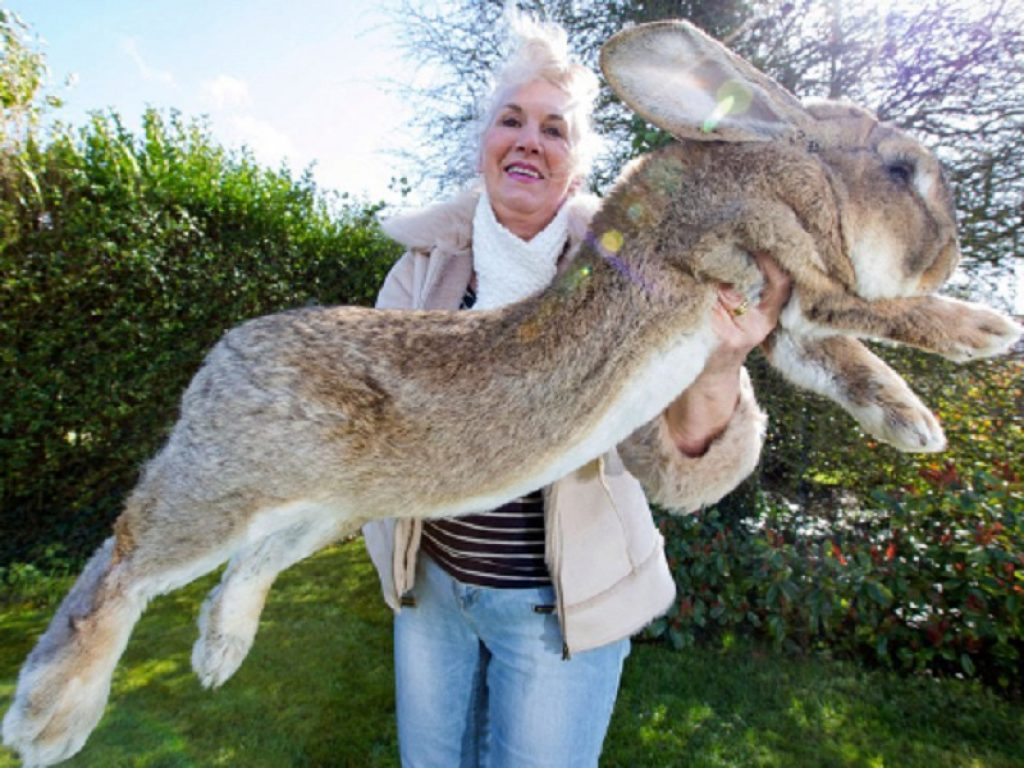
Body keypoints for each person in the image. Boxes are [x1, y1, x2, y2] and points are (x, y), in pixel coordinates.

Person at [362, 13, 791, 768]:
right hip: (432, 598)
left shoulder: (636, 277)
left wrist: (721, 364)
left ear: (577, 168)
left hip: (558, 615)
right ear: (484, 145)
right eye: (511, 120)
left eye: (554, 129)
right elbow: (373, 416)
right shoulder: (422, 272)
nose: (529, 139)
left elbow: (685, 461)